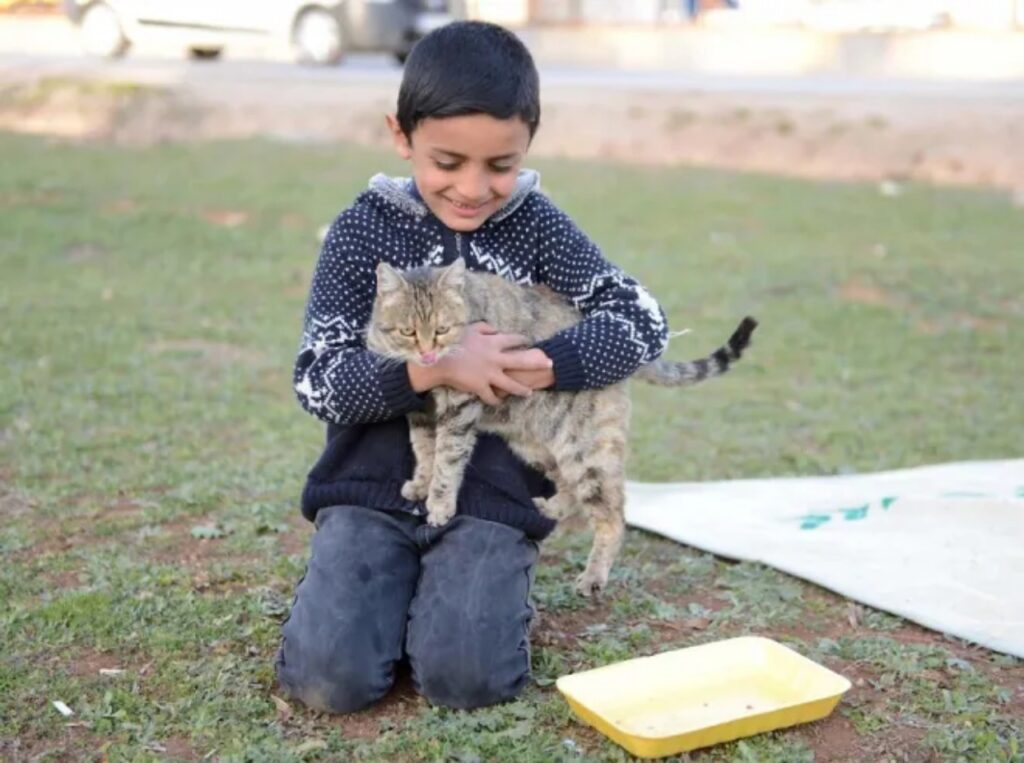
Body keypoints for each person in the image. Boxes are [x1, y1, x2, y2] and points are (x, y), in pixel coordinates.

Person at [275, 20, 669, 714]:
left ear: (528, 143)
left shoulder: (538, 225)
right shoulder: (363, 229)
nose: (473, 187)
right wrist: (435, 368)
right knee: (327, 681)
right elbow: (317, 377)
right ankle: (378, 594)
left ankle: (466, 593)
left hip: (491, 497)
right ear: (401, 135)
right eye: (447, 161)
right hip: (370, 488)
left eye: (501, 165)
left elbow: (643, 320)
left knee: (469, 681)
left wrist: (544, 362)